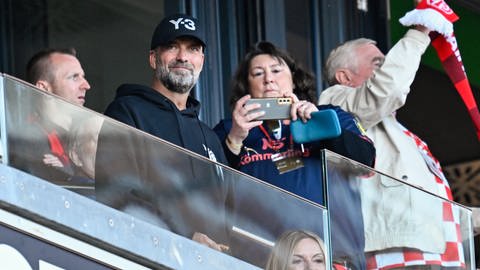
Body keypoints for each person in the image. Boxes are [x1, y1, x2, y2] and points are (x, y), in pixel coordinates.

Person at [213, 41, 376, 269]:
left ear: (294, 78)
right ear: (246, 86)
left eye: (276, 70)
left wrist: (321, 125)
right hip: (258, 260)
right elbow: (210, 186)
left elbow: (366, 160)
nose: (268, 79)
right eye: (258, 73)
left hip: (329, 258)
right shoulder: (230, 128)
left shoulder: (330, 115)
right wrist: (235, 138)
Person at [319, 25, 465, 268]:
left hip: (437, 254)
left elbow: (435, 207)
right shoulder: (336, 101)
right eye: (379, 65)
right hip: (397, 257)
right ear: (344, 77)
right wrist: (419, 32)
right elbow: (389, 88)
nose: (388, 70)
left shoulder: (401, 133)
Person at [94, 14, 229, 252]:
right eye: (172, 46)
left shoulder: (209, 139)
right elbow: (118, 196)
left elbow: (228, 215)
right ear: (153, 59)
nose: (183, 57)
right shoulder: (127, 112)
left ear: (202, 60)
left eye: (193, 49)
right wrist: (185, 237)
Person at [8, 48, 91, 183]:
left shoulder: (86, 136)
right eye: (74, 77)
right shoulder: (24, 139)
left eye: (83, 77)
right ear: (43, 88)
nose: (86, 85)